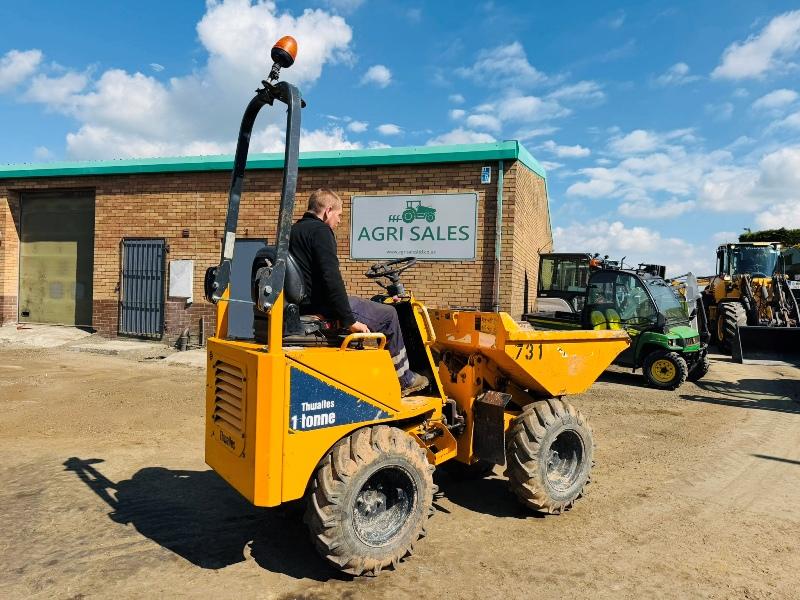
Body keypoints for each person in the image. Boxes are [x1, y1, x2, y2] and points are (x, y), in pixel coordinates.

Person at [289, 188, 430, 396]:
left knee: (371, 304)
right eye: (339, 215)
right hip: (322, 306)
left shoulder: (294, 231)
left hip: (303, 303)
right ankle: (405, 378)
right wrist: (349, 320)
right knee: (389, 315)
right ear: (328, 211)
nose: (338, 221)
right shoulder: (320, 232)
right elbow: (331, 279)